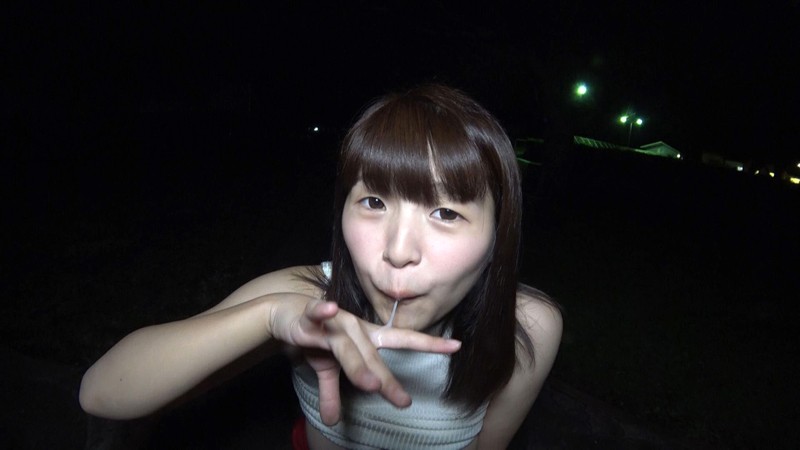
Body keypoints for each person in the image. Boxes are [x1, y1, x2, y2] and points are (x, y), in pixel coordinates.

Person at [80, 84, 562, 449]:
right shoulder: (311, 297)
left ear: (497, 233)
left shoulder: (527, 325)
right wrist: (271, 317)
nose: (398, 250)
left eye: (446, 213)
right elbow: (101, 393)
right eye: (373, 202)